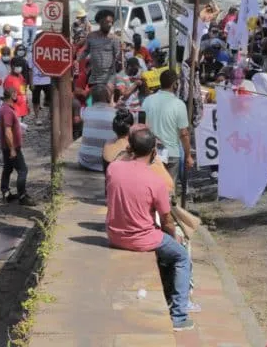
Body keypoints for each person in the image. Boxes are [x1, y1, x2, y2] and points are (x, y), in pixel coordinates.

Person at [105, 127, 195, 331]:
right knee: (182, 257)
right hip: (142, 239)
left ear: (130, 147)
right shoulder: (156, 181)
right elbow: (166, 220)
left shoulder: (113, 168)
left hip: (114, 234)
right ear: (154, 151)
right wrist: (173, 237)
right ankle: (179, 316)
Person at [142, 70, 193, 190]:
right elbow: (184, 134)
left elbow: (141, 126)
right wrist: (188, 155)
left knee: (151, 189)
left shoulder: (148, 100)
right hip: (171, 154)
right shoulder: (179, 105)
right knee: (168, 191)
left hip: (151, 153)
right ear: (175, 84)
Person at [0, 87, 36, 205]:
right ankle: (22, 196)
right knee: (23, 170)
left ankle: (6, 192)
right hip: (12, 147)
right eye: (15, 94)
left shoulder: (6, 108)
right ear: (12, 95)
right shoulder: (7, 111)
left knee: (8, 169)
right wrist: (12, 149)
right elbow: (7, 131)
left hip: (8, 146)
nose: (17, 96)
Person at [78, 85, 117, 172]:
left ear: (92, 98)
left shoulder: (86, 111)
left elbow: (88, 105)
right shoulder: (115, 113)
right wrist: (112, 103)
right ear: (108, 98)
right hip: (107, 163)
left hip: (86, 161)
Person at [82, 9, 121, 86]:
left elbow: (118, 57)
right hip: (94, 78)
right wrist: (76, 60)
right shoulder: (91, 36)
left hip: (109, 79)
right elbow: (86, 51)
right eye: (107, 22)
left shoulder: (114, 38)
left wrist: (121, 52)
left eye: (111, 22)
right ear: (100, 21)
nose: (110, 24)